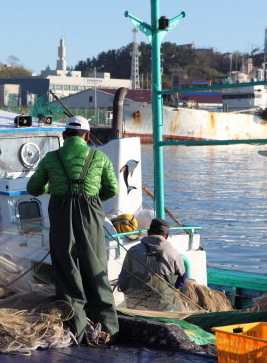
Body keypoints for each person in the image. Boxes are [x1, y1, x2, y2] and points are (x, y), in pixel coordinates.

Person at [26, 116, 120, 345]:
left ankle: (76, 331)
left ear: (64, 136)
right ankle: (108, 331)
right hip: (91, 211)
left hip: (60, 211)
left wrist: (52, 186)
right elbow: (112, 189)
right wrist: (92, 198)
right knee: (96, 268)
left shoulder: (51, 158)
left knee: (66, 270)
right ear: (87, 137)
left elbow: (33, 188)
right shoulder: (99, 157)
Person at [118, 218, 187, 312]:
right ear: (166, 236)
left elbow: (123, 280)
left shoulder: (133, 250)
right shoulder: (174, 253)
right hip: (166, 308)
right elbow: (181, 281)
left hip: (135, 306)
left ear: (148, 233)